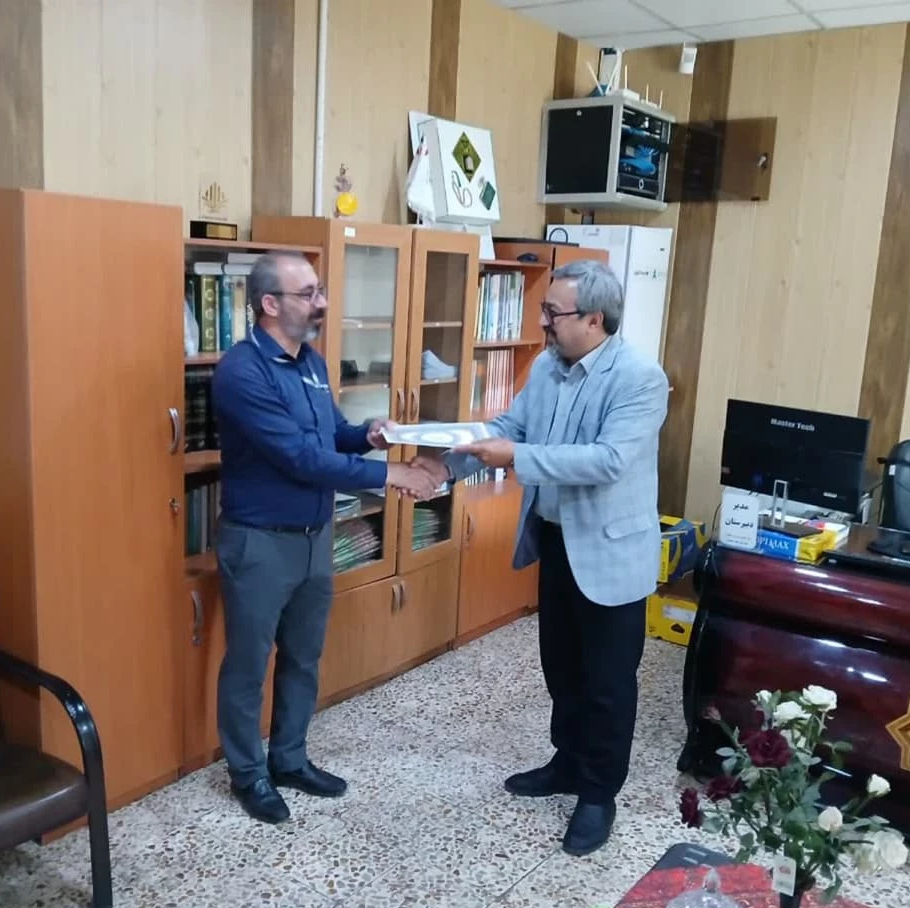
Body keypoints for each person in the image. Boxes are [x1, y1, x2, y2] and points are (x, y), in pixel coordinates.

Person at [412, 259, 668, 856]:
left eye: (553, 312)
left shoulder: (640, 378)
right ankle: (567, 762)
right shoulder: (549, 367)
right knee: (562, 665)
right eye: (544, 310)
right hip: (556, 540)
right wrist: (445, 466)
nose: (543, 322)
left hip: (610, 552)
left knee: (608, 681)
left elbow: (606, 460)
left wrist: (515, 458)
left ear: (594, 319)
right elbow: (509, 427)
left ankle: (598, 793)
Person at [211, 251, 438, 824]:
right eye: (309, 293)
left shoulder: (311, 362)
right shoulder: (242, 372)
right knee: (248, 665)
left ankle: (289, 758)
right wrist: (391, 474)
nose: (322, 302)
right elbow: (299, 458)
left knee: (304, 656)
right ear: (269, 304)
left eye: (320, 290)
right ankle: (248, 773)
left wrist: (368, 435)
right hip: (260, 542)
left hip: (315, 537)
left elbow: (330, 436)